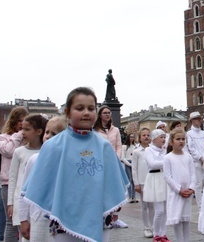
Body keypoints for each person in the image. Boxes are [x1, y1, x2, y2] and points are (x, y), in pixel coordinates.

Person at [22, 87, 128, 242]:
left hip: (99, 219)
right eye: (80, 108)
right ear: (67, 112)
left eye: (91, 108)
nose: (86, 112)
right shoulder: (53, 146)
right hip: (64, 220)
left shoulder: (104, 146)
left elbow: (114, 182)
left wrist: (113, 205)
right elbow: (41, 184)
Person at [19, 116, 67, 241]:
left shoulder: (68, 162)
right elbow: (24, 192)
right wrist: (23, 219)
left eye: (54, 134)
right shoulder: (34, 160)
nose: (48, 136)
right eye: (47, 132)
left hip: (60, 219)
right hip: (37, 218)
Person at [7, 114, 47, 240]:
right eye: (22, 129)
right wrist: (10, 203)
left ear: (39, 131)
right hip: (22, 201)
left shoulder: (47, 152)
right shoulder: (19, 152)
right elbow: (13, 178)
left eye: (27, 129)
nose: (22, 132)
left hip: (39, 204)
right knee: (25, 237)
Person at [0, 106, 28, 242]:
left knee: (26, 219)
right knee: (11, 221)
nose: (22, 124)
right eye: (19, 121)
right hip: (8, 182)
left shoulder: (28, 137)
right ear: (13, 121)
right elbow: (8, 151)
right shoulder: (2, 138)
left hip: (26, 181)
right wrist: (18, 135)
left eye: (24, 121)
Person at [94, 105, 127, 229]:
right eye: (104, 113)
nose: (107, 115)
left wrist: (116, 158)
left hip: (114, 163)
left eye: (109, 113)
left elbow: (118, 145)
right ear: (100, 115)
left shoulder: (116, 130)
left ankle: (116, 217)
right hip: (100, 164)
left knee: (116, 189)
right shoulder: (95, 130)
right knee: (102, 190)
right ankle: (103, 216)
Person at [164, 129, 196, 242]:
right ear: (172, 141)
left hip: (187, 192)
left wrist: (191, 188)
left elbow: (193, 174)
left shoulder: (188, 157)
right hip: (176, 193)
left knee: (186, 218)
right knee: (177, 218)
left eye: (183, 139)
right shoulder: (168, 158)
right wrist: (179, 189)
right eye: (178, 139)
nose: (181, 141)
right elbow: (168, 177)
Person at [144, 129, 169, 242]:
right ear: (154, 139)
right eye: (161, 137)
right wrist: (167, 161)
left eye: (164, 137)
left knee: (165, 210)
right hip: (155, 179)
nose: (164, 139)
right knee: (159, 210)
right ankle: (156, 233)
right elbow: (152, 164)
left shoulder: (164, 150)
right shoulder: (149, 150)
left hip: (164, 178)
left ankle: (163, 233)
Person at [132, 128, 155, 239]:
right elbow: (134, 168)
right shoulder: (137, 152)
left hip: (152, 180)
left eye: (148, 135)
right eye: (143, 135)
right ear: (140, 138)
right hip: (142, 181)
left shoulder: (153, 150)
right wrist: (136, 183)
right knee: (144, 205)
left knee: (153, 205)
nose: (146, 137)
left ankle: (154, 226)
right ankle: (146, 227)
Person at [185, 112, 204, 211]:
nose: (199, 120)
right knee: (198, 184)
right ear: (191, 121)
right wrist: (201, 158)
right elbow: (191, 148)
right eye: (197, 118)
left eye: (200, 118)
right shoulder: (189, 134)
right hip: (197, 162)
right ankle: (200, 206)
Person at [122, 133, 138, 203]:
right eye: (130, 137)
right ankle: (129, 196)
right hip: (128, 163)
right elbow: (123, 157)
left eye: (133, 137)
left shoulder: (135, 146)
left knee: (134, 180)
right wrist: (129, 164)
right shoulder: (124, 147)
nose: (132, 138)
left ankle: (134, 196)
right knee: (129, 180)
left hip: (134, 162)